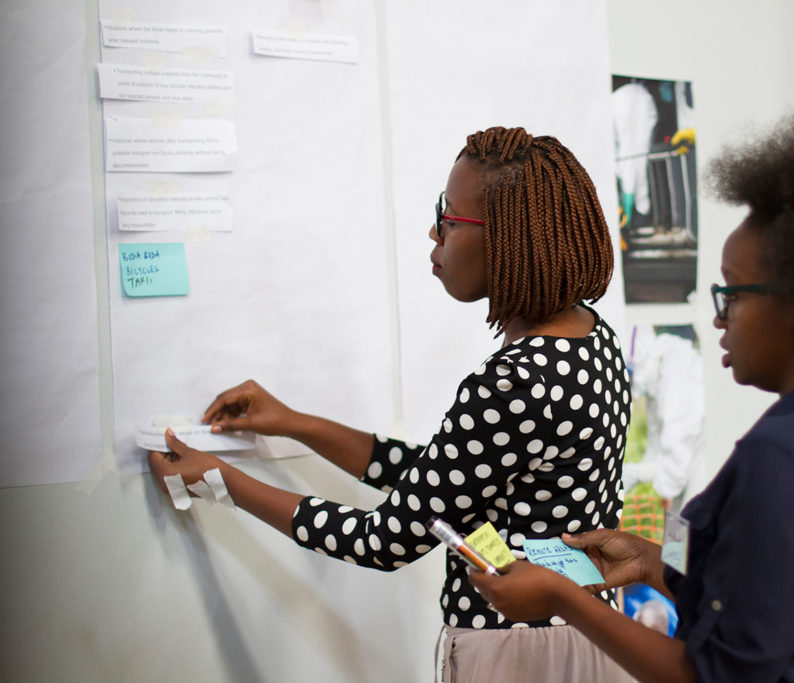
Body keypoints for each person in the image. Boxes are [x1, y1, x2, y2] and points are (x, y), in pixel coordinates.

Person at [470, 101, 794, 681]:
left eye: (732, 293)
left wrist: (563, 600)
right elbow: (776, 592)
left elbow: (713, 674)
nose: (719, 318)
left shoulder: (783, 457)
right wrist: (654, 564)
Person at [149, 126, 636, 682]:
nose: (435, 230)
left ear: (506, 239)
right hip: (586, 638)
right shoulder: (590, 339)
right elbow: (440, 485)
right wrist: (294, 424)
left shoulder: (515, 383)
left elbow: (385, 540)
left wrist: (218, 478)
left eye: (449, 217)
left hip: (521, 658)